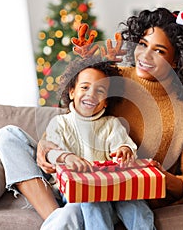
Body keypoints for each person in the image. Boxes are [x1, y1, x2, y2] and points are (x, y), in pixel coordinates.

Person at [0, 5, 183, 229]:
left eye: (159, 51)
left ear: (176, 60)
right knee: (8, 136)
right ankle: (59, 215)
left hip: (115, 192)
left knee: (94, 202)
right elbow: (73, 120)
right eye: (142, 44)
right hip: (69, 171)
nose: (145, 56)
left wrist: (162, 178)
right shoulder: (115, 78)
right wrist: (45, 146)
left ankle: (70, 213)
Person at [44, 56, 155, 230]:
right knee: (91, 198)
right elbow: (50, 152)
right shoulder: (59, 124)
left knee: (135, 203)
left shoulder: (111, 124)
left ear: (106, 101)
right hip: (78, 192)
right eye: (85, 87)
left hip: (114, 189)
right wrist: (65, 158)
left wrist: (124, 150)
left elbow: (123, 145)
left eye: (100, 91)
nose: (91, 95)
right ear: (72, 91)